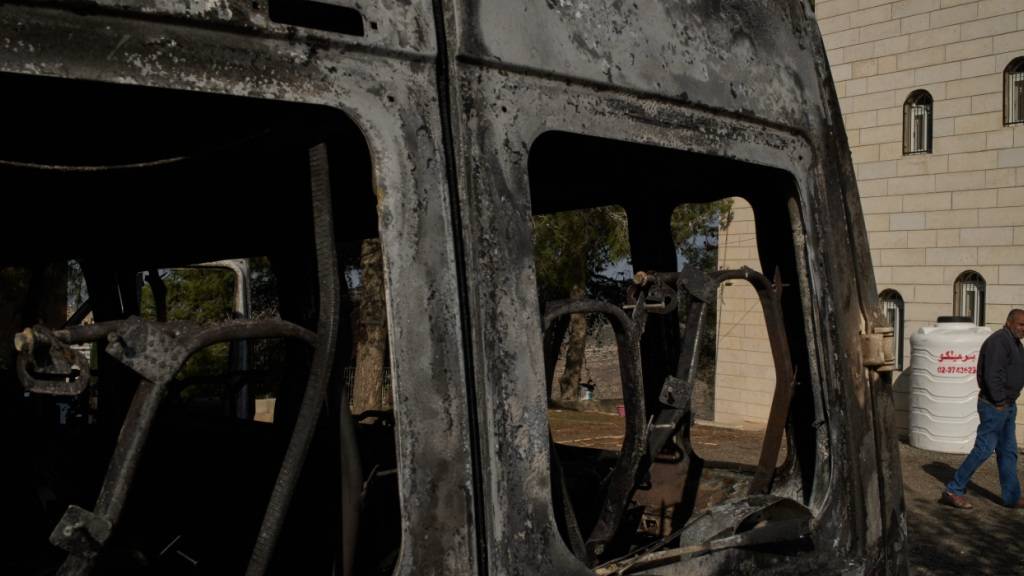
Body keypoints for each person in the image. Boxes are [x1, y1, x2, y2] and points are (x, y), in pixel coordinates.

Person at [940, 309, 1024, 509]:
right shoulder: (999, 341)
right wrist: (1000, 401)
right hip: (995, 405)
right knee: (984, 448)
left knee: (1009, 451)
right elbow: (991, 375)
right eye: (1021, 324)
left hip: (1007, 406)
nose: (1023, 329)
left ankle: (1011, 496)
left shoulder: (1014, 343)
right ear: (1009, 322)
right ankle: (953, 489)